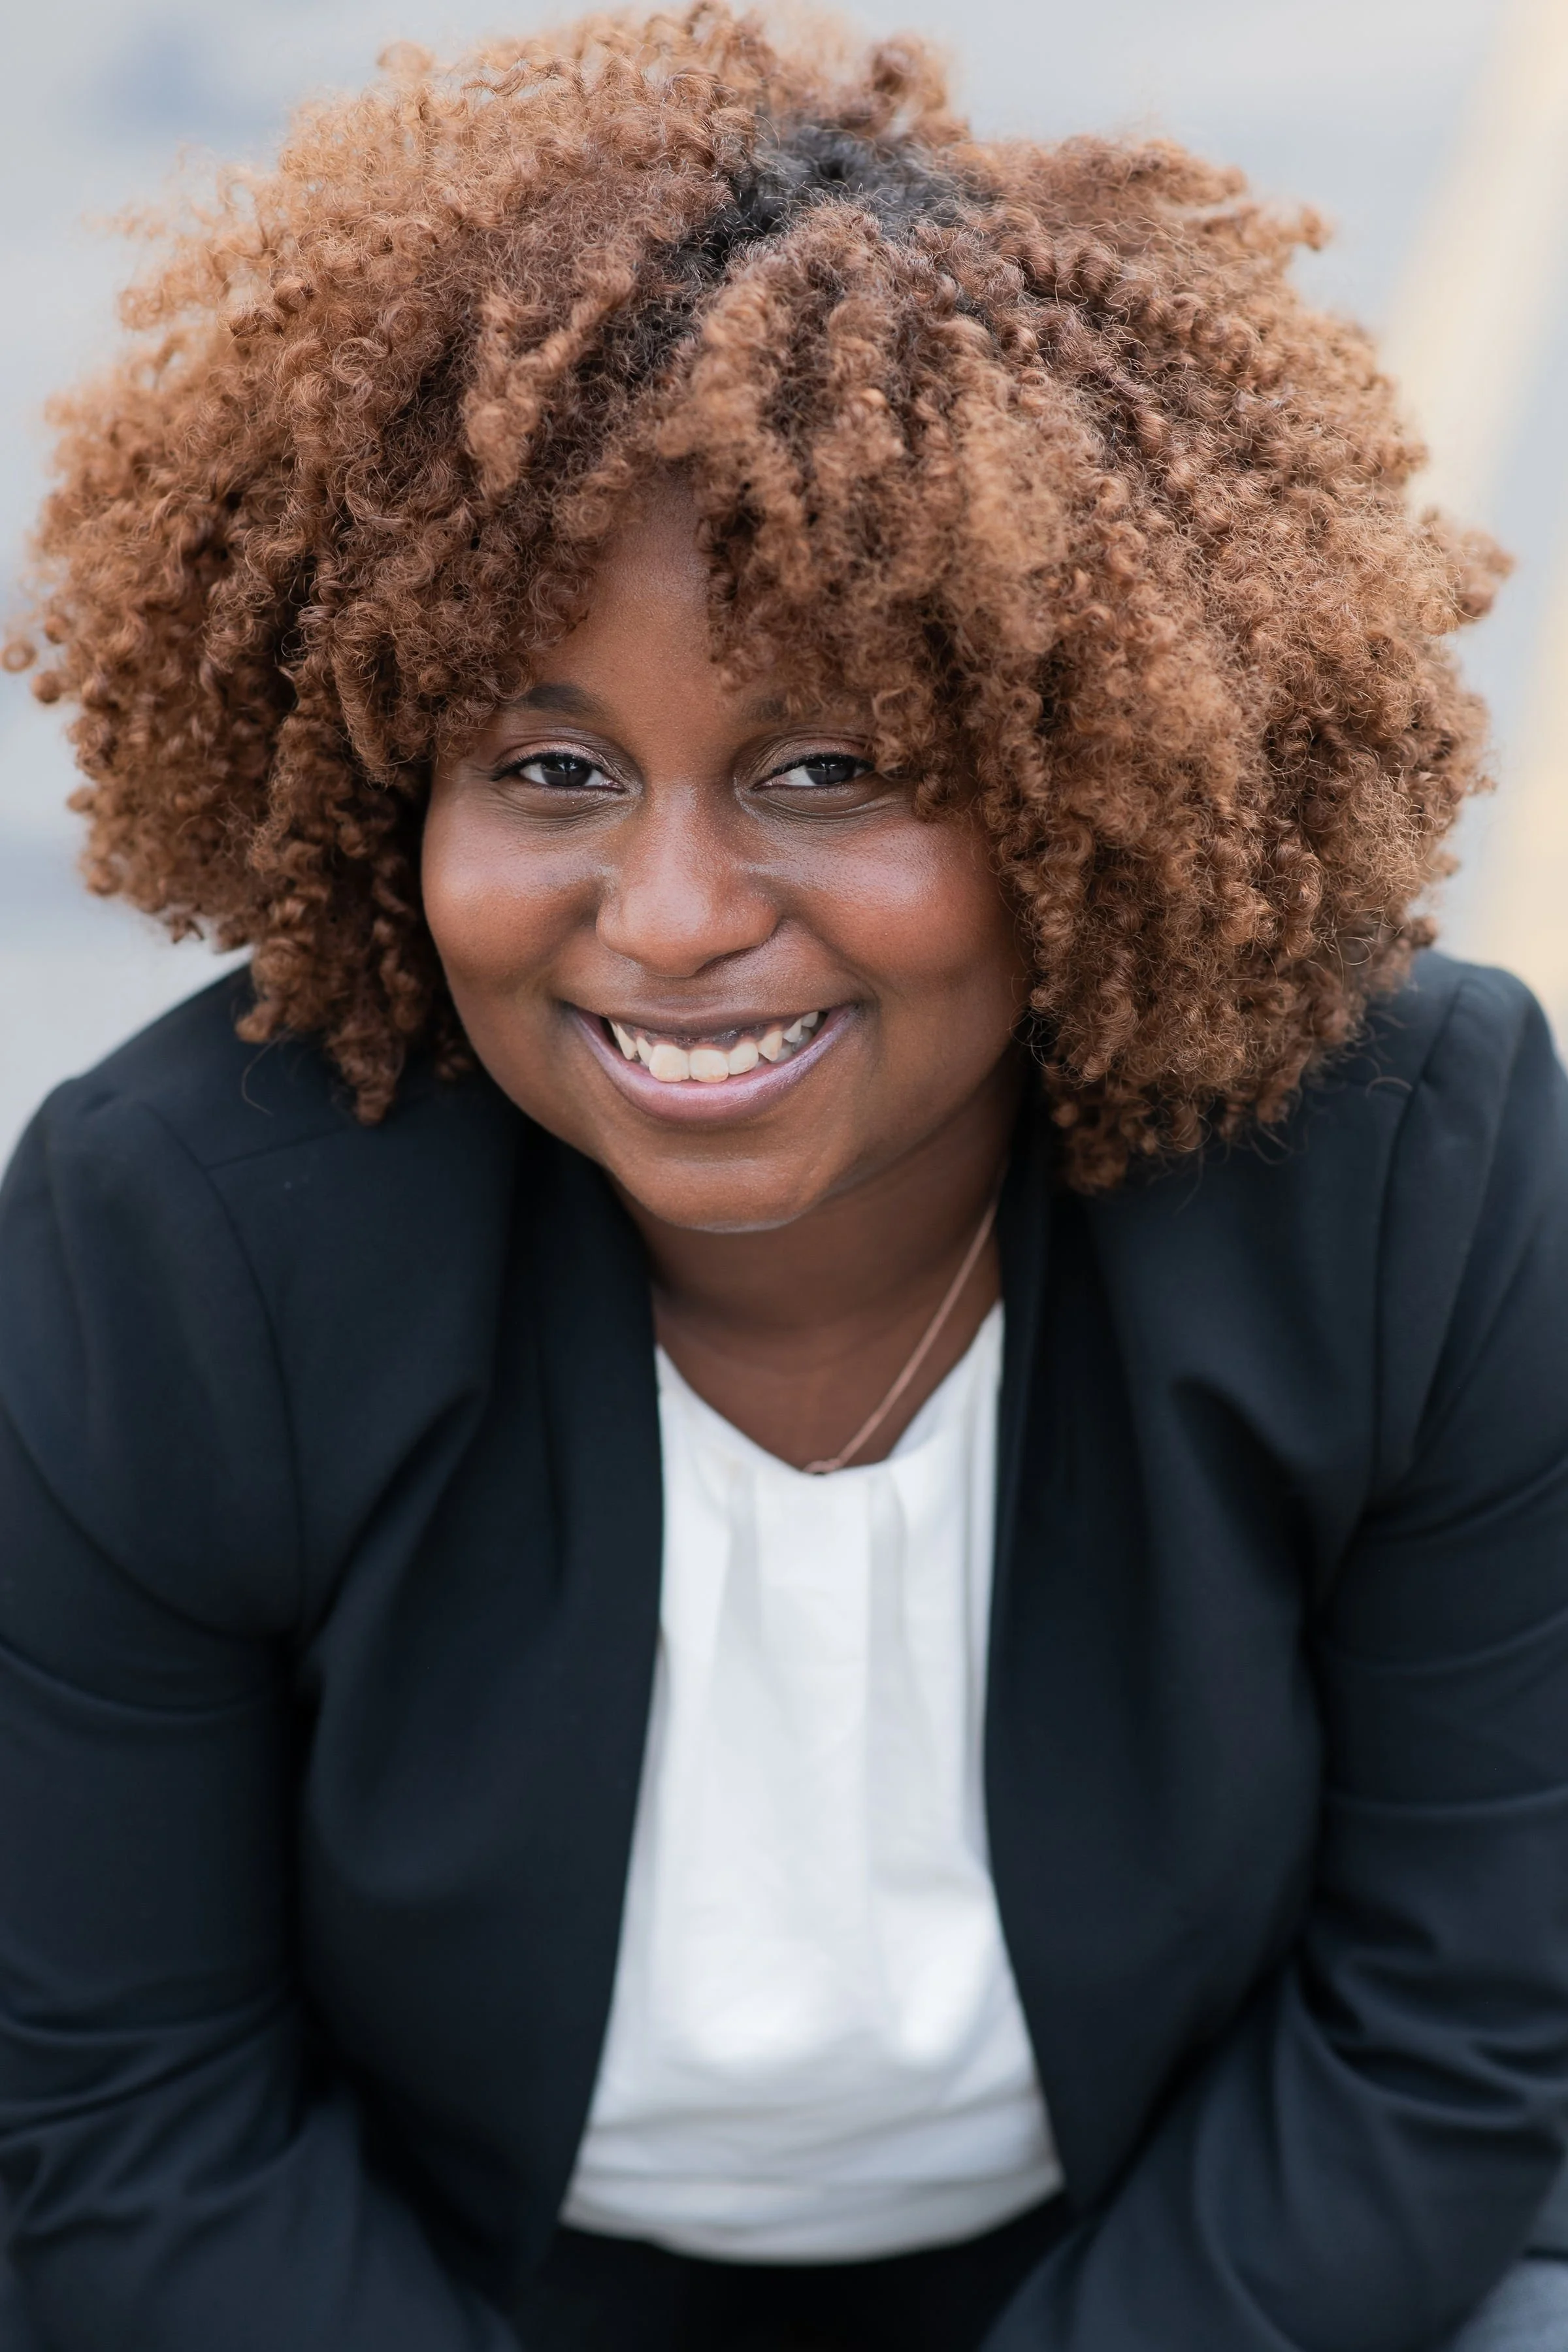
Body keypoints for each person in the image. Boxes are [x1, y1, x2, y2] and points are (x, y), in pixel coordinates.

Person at [4, 7, 1568, 2347]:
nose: (668, 914)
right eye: (549, 766)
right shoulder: (176, 1246)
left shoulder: (1406, 1173)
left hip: (1200, 2262)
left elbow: (1450, 2031)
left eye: (826, 766)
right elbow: (126, 2107)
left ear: (1075, 784)